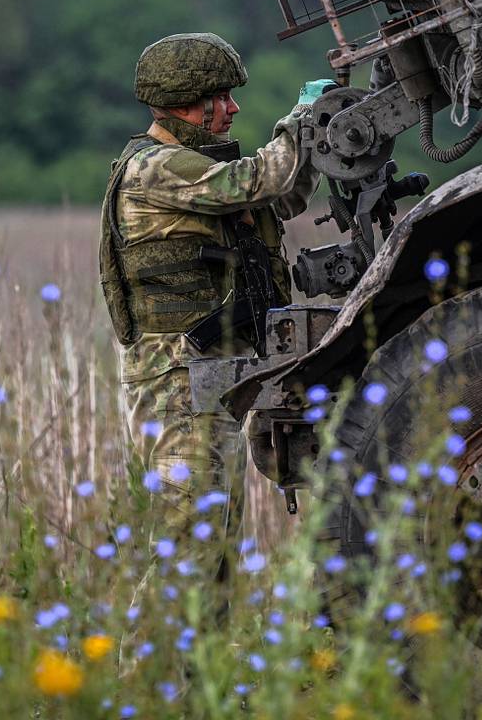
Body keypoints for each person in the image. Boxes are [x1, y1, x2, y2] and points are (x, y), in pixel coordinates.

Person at [99, 32, 319, 573]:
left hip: (208, 374)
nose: (232, 109)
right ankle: (152, 660)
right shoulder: (155, 169)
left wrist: (315, 142)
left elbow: (281, 193)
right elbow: (252, 180)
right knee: (188, 546)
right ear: (184, 104)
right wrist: (303, 119)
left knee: (216, 547)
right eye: (220, 97)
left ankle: (205, 658)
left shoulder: (194, 168)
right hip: (176, 377)